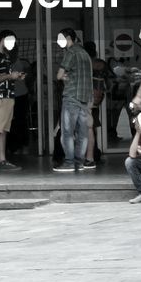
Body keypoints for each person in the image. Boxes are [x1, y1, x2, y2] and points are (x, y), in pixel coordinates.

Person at [0, 30, 23, 173]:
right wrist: (10, 76)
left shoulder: (5, 56)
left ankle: (2, 159)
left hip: (8, 95)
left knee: (3, 130)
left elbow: (3, 75)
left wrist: (15, 76)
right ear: (3, 40)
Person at [54, 28, 91, 173]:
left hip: (71, 96)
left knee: (67, 132)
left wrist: (65, 78)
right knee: (82, 132)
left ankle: (69, 162)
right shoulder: (85, 54)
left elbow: (59, 75)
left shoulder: (71, 52)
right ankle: (79, 162)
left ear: (68, 38)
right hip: (84, 98)